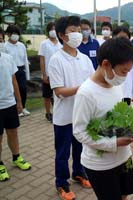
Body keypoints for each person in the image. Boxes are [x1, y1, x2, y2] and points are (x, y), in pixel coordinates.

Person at [73, 37, 133, 200]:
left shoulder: (116, 84)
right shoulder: (86, 93)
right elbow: (79, 132)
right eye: (124, 71)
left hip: (123, 157)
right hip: (101, 165)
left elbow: (120, 115)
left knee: (123, 196)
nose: (125, 76)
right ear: (106, 64)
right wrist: (113, 143)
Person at [48, 16, 94, 200]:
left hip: (81, 115)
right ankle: (61, 183)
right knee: (62, 152)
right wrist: (82, 89)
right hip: (64, 116)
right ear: (61, 35)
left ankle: (79, 172)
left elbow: (94, 81)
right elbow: (59, 91)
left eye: (78, 29)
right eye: (72, 30)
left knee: (79, 148)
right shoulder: (56, 60)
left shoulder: (84, 59)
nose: (77, 33)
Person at [0, 28, 31, 182]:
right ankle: (0, 165)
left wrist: (19, 101)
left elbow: (14, 81)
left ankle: (16, 157)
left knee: (13, 132)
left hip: (10, 103)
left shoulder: (7, 58)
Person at [38, 22, 62, 123]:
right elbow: (42, 60)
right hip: (48, 74)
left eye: (55, 29)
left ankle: (57, 112)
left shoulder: (61, 43)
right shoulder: (44, 43)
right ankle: (48, 113)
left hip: (59, 73)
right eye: (51, 29)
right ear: (48, 31)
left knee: (58, 95)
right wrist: (44, 74)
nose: (53, 31)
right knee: (47, 95)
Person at [4, 25, 30, 117]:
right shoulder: (5, 46)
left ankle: (23, 107)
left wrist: (27, 74)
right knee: (14, 90)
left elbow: (25, 59)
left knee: (23, 88)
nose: (15, 35)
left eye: (17, 33)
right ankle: (16, 109)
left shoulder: (21, 45)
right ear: (8, 34)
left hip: (21, 69)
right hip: (11, 71)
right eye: (13, 33)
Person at [112, 26, 133, 105]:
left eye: (126, 38)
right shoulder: (109, 54)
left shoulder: (132, 57)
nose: (123, 41)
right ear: (114, 37)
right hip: (113, 91)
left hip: (127, 92)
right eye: (120, 38)